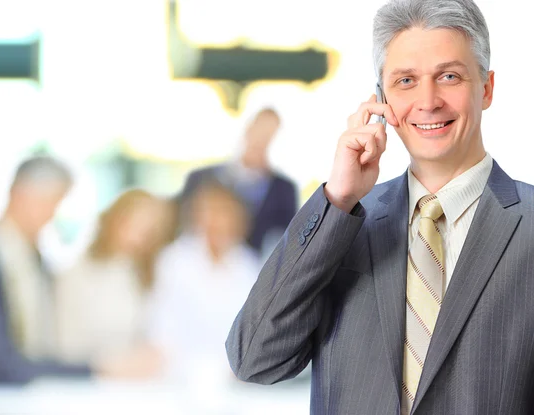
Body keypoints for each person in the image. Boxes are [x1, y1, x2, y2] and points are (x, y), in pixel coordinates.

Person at [226, 0, 534, 414]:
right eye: (406, 80)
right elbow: (253, 359)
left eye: (448, 76)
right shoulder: (345, 221)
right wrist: (337, 200)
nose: (428, 101)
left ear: (487, 88)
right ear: (381, 99)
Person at [0, 156, 122, 383]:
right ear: (19, 194)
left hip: (23, 392)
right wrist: (91, 370)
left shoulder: (36, 259)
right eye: (50, 202)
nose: (52, 215)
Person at [55, 189, 175, 377]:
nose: (137, 237)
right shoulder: (77, 274)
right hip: (85, 380)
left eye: (148, 231)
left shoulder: (141, 275)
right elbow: (65, 346)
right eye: (133, 225)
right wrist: (110, 364)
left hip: (131, 383)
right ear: (113, 220)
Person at [150, 184, 260, 382]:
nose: (215, 220)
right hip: (177, 375)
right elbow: (163, 327)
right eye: (208, 211)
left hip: (237, 378)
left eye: (224, 212)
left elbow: (253, 330)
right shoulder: (174, 260)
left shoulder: (249, 265)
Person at [181, 108, 298, 257]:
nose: (261, 140)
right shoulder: (201, 178)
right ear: (248, 129)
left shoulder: (284, 191)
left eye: (269, 135)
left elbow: (286, 238)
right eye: (259, 131)